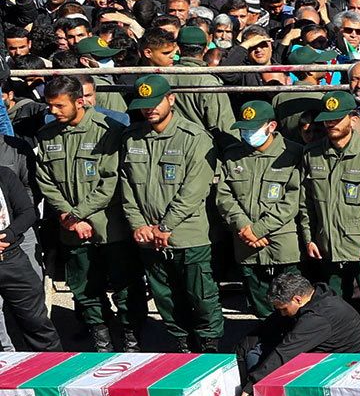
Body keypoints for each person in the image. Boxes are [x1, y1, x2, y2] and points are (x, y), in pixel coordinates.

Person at [31, 74, 141, 349]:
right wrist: (69, 216)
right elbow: (46, 180)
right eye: (50, 106)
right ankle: (101, 335)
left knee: (124, 285)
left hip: (108, 225)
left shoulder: (109, 130)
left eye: (59, 106)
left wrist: (77, 213)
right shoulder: (47, 135)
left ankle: (132, 336)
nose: (53, 112)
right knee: (83, 287)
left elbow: (111, 180)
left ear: (79, 102)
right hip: (70, 227)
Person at [116, 72, 222, 352]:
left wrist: (165, 226)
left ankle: (210, 348)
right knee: (165, 297)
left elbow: (194, 190)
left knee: (200, 295)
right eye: (144, 103)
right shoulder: (132, 138)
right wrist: (138, 224)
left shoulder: (195, 137)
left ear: (170, 99)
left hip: (187, 235)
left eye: (155, 102)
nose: (149, 108)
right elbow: (127, 185)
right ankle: (182, 345)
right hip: (148, 237)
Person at [301, 90, 360, 345]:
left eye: (337, 119)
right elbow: (305, 203)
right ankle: (340, 345)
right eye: (328, 119)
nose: (331, 124)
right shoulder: (312, 154)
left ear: (352, 119)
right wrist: (309, 238)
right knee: (333, 301)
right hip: (327, 244)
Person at [211, 98, 309, 324]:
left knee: (293, 303)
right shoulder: (233, 155)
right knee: (260, 305)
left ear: (271, 127)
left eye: (252, 129)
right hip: (246, 244)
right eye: (244, 129)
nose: (247, 134)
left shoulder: (293, 154)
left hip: (282, 244)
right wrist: (244, 227)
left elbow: (293, 199)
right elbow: (224, 196)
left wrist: (259, 229)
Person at [240, 269, 360, 384]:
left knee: (259, 358)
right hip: (324, 356)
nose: (282, 313)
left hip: (342, 368)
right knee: (256, 349)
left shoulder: (318, 317)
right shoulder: (315, 297)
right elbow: (267, 326)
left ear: (297, 299)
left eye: (284, 309)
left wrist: (250, 387)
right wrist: (239, 353)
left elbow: (284, 352)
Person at [0, 153, 57, 350]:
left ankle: (52, 368)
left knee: (36, 323)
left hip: (12, 260)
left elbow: (28, 212)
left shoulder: (5, 175)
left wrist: (10, 233)